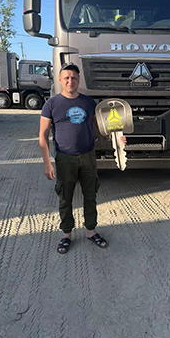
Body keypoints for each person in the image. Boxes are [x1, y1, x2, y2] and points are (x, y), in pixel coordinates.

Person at [39, 63, 126, 254]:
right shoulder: (51, 104)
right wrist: (47, 163)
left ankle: (91, 231)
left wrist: (117, 138)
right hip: (65, 158)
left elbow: (102, 128)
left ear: (79, 80)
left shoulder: (89, 103)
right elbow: (42, 135)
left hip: (88, 156)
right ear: (60, 80)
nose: (70, 81)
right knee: (65, 197)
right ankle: (66, 234)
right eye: (66, 78)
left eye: (74, 78)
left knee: (90, 194)